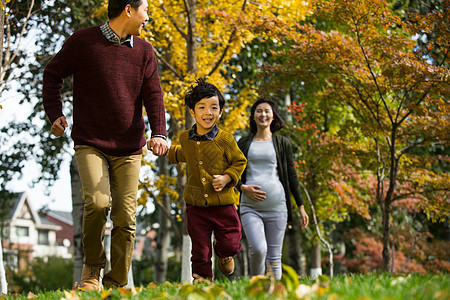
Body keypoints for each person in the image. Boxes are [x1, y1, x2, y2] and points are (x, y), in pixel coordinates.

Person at [42, 0, 168, 290]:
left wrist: (159, 133)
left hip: (129, 147)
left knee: (125, 216)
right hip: (90, 142)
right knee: (98, 204)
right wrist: (55, 113)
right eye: (145, 10)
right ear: (128, 9)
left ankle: (117, 283)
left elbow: (155, 96)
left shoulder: (145, 51)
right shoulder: (83, 42)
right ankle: (91, 272)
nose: (147, 17)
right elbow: (52, 75)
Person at [164, 78, 247, 280]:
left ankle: (224, 253)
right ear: (192, 111)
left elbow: (240, 161)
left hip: (223, 203)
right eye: (202, 107)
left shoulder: (225, 139)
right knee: (199, 251)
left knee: (230, 243)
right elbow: (183, 154)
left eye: (213, 108)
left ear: (220, 112)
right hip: (196, 205)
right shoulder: (186, 138)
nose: (208, 113)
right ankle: (202, 284)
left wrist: (227, 177)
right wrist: (164, 149)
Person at [237, 98, 309, 280]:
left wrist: (300, 206)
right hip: (250, 207)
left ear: (273, 116)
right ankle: (257, 287)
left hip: (277, 208)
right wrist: (244, 188)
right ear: (253, 116)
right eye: (259, 111)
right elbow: (232, 174)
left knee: (274, 258)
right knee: (259, 249)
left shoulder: (283, 142)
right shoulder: (243, 144)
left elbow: (291, 175)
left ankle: (275, 294)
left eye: (267, 111)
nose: (263, 114)